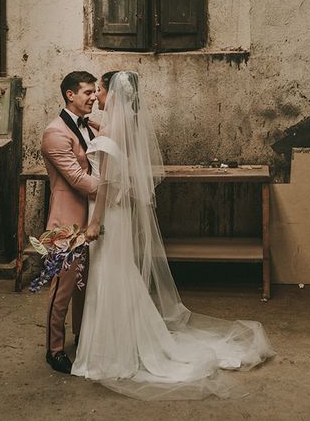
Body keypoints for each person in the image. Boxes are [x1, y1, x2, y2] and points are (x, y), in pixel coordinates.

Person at [71, 71, 274, 399]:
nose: (96, 96)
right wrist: (96, 127)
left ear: (112, 95)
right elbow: (113, 152)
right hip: (120, 214)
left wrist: (94, 223)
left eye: (100, 90)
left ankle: (112, 352)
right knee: (119, 273)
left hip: (108, 213)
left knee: (109, 275)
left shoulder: (109, 136)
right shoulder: (121, 129)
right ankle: (126, 340)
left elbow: (106, 184)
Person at [40, 71, 99, 374]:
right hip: (67, 221)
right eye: (87, 92)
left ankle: (82, 336)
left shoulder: (88, 125)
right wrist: (115, 189)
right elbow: (77, 179)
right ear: (70, 95)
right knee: (62, 287)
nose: (93, 98)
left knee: (84, 284)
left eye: (95, 92)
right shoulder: (55, 133)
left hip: (91, 220)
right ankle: (55, 349)